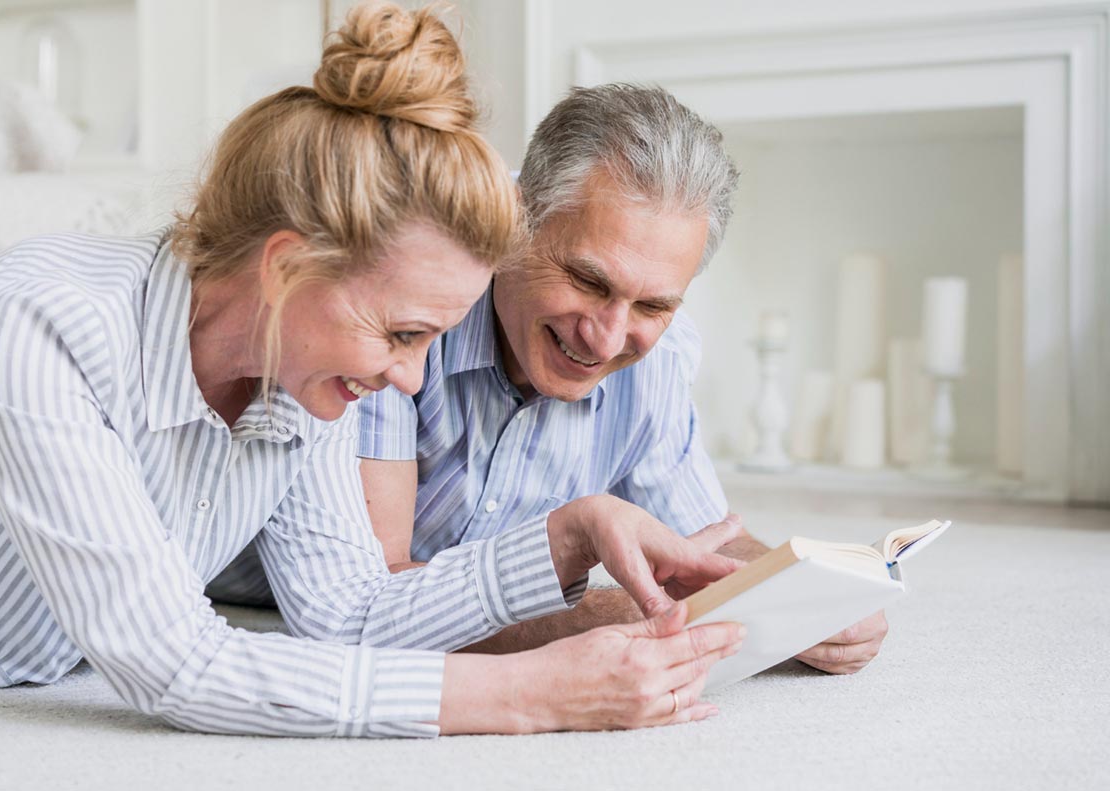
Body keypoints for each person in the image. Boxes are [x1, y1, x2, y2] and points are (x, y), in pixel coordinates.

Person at [0, 4, 746, 736]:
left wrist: (571, 531)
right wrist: (526, 695)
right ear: (287, 268)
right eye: (402, 333)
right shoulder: (33, 322)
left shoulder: (298, 377)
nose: (414, 380)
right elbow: (172, 662)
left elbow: (349, 614)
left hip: (38, 670)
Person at [351, 84, 889, 672]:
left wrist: (802, 592)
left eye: (652, 306)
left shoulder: (660, 359)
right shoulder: (410, 305)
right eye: (588, 281)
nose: (607, 339)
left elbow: (702, 542)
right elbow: (372, 603)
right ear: (514, 219)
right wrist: (619, 616)